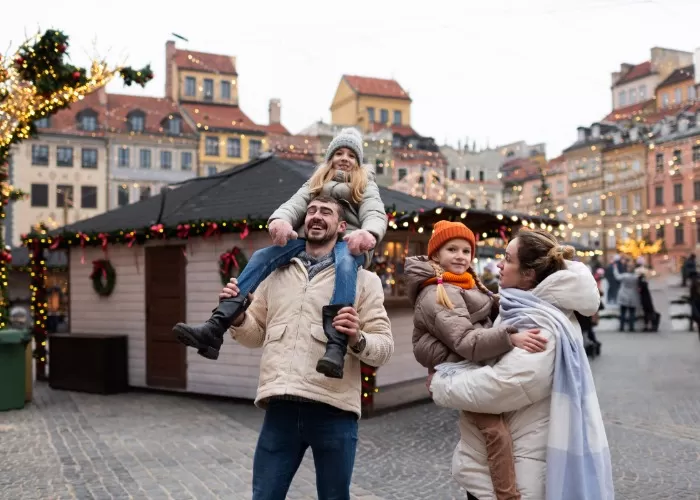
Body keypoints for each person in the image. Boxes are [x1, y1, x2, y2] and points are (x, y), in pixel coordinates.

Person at [173, 128, 388, 379]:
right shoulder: (316, 183)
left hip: (350, 244)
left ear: (359, 162)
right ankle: (216, 325)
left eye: (351, 155)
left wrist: (368, 234)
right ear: (329, 159)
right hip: (311, 241)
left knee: (345, 265)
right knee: (263, 255)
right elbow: (294, 205)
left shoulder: (365, 185)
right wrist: (281, 221)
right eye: (339, 153)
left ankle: (336, 345)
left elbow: (374, 212)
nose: (345, 158)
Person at [220, 195, 394, 500]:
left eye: (325, 212)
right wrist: (238, 318)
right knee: (265, 496)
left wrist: (357, 338)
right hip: (281, 407)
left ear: (341, 226)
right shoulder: (275, 274)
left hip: (335, 410)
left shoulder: (365, 281)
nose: (315, 216)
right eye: (311, 210)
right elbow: (255, 335)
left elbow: (384, 348)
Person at [427, 229, 613, 500]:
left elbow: (503, 386)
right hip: (504, 459)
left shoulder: (540, 323)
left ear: (528, 275)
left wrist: (442, 382)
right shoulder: (525, 308)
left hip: (517, 466)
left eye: (508, 259)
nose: (500, 264)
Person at [405, 221, 549, 500]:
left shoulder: (468, 282)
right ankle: (507, 495)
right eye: (452, 249)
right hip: (456, 368)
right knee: (495, 432)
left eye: (466, 250)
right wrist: (510, 337)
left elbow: (492, 303)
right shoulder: (438, 291)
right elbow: (465, 341)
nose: (460, 256)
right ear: (436, 255)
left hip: (468, 365)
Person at [614, 259, 641, 332]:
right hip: (633, 296)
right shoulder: (636, 277)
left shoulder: (624, 276)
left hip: (623, 295)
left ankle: (622, 327)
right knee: (632, 313)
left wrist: (615, 268)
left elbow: (617, 277)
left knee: (623, 312)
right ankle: (631, 327)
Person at [637, 268, 660, 332]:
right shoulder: (645, 279)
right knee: (649, 313)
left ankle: (649, 326)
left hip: (645, 299)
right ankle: (652, 326)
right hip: (648, 298)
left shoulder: (640, 280)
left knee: (647, 313)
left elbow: (639, 290)